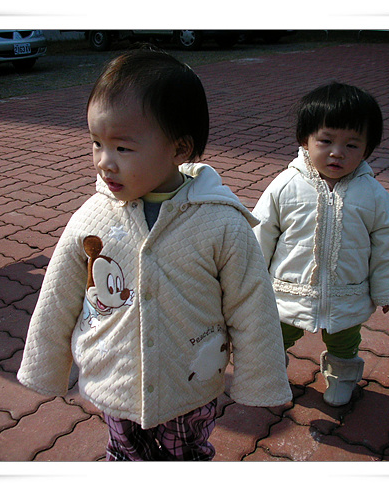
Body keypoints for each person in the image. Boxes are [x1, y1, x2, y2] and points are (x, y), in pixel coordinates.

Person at [17, 46, 291, 461]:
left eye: (123, 148)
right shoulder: (93, 217)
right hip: (115, 379)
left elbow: (251, 304)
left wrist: (258, 379)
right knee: (125, 454)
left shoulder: (220, 222)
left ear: (179, 149)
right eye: (96, 143)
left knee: (187, 456)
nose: (104, 162)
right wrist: (46, 367)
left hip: (189, 384)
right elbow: (58, 296)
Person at [253, 82, 389, 407]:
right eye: (325, 141)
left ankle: (342, 378)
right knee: (274, 337)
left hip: (346, 293)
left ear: (367, 149)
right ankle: (270, 373)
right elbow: (261, 233)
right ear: (305, 140)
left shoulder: (373, 195)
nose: (337, 152)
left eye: (352, 144)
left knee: (344, 342)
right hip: (287, 290)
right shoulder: (286, 185)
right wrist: (248, 282)